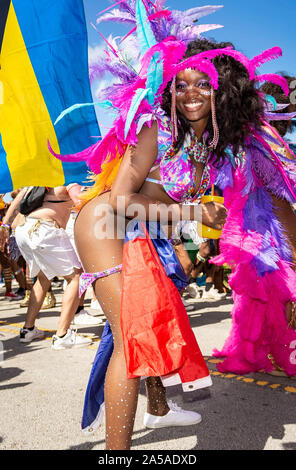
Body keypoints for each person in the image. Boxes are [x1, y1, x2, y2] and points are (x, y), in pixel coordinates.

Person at [51, 1, 296, 450]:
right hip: (106, 224)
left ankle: (159, 408)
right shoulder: (157, 129)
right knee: (131, 334)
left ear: (223, 90)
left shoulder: (225, 142)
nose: (189, 94)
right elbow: (123, 200)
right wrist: (193, 215)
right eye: (181, 85)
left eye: (202, 84)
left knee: (156, 319)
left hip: (151, 233)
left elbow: (276, 193)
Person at [0, 185, 93, 349]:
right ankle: (62, 335)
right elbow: (81, 202)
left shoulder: (44, 176)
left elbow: (20, 196)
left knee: (43, 278)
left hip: (25, 229)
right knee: (76, 277)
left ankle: (28, 330)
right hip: (44, 229)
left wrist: (5, 225)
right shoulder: (69, 178)